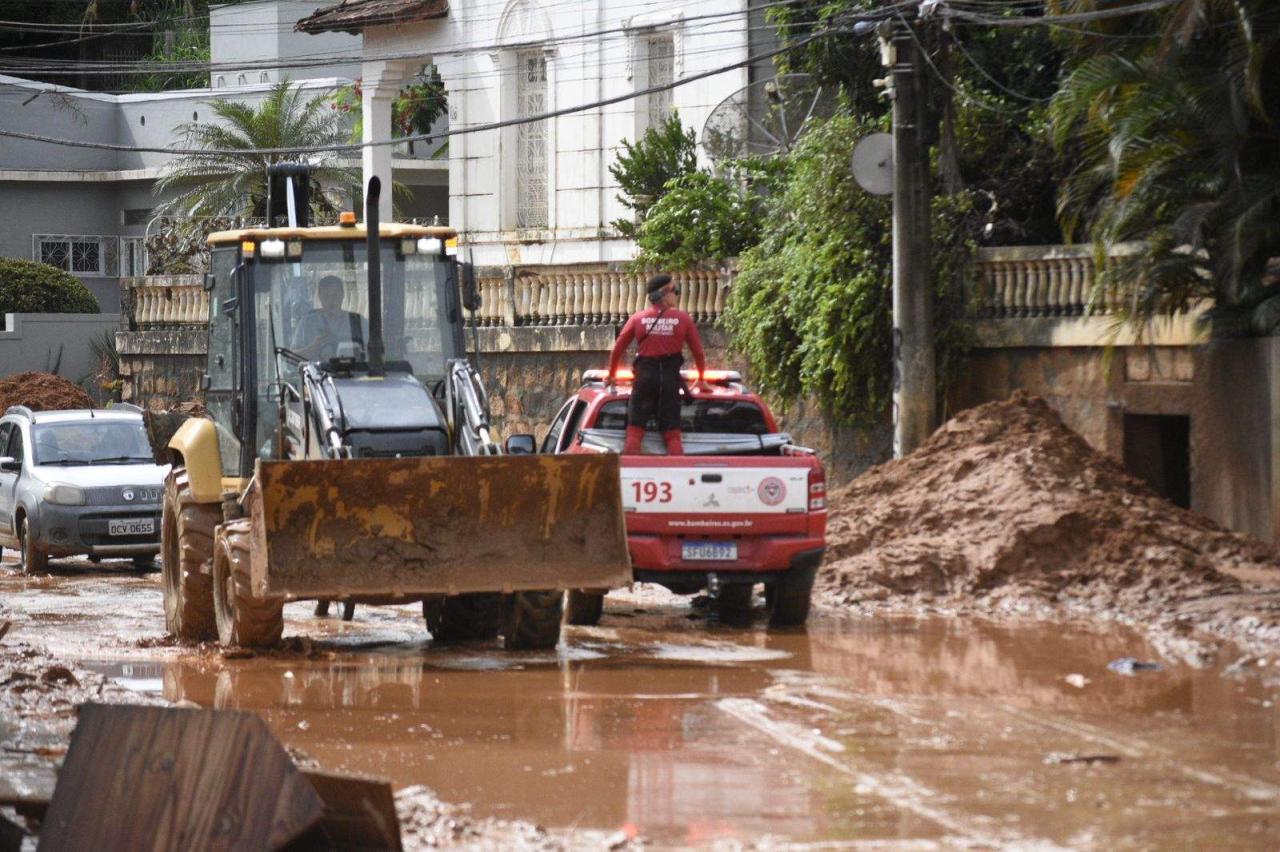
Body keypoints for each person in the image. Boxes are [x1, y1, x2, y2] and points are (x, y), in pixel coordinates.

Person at [607, 273, 707, 455]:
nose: (677, 295)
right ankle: (677, 476)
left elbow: (617, 349)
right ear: (663, 293)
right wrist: (701, 379)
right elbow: (698, 353)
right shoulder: (683, 319)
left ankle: (632, 477)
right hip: (670, 381)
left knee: (635, 432)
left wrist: (611, 375)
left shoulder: (638, 319)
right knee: (672, 435)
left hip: (644, 379)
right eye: (675, 291)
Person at [290, 275, 368, 361]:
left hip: (355, 373)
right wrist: (315, 346)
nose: (331, 300)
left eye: (335, 295)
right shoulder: (307, 323)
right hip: (317, 373)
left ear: (343, 295)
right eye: (326, 296)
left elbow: (376, 353)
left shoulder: (358, 322)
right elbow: (292, 358)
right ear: (320, 296)